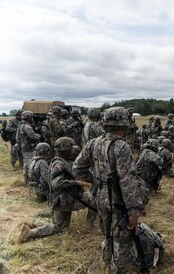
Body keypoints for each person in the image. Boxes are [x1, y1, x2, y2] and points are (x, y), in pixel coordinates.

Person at [73, 107, 148, 273]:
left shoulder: (93, 143)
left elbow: (78, 168)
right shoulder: (122, 146)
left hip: (100, 197)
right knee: (122, 239)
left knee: (107, 234)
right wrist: (133, 211)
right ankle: (117, 269)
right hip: (118, 200)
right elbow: (127, 180)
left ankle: (106, 263)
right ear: (123, 124)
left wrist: (96, 183)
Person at [18, 137, 94, 243]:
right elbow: (56, 183)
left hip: (60, 199)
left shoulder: (60, 161)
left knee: (60, 228)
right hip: (64, 200)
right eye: (71, 148)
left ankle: (32, 232)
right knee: (95, 200)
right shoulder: (60, 164)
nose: (73, 151)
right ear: (65, 150)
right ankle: (91, 226)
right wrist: (76, 182)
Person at [16, 111, 41, 183]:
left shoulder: (21, 125)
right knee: (30, 164)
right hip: (29, 147)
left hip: (24, 146)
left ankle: (26, 180)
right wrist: (38, 136)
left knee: (26, 163)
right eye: (31, 117)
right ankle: (28, 180)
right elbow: (33, 137)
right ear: (28, 118)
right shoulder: (27, 126)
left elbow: (17, 138)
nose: (32, 118)